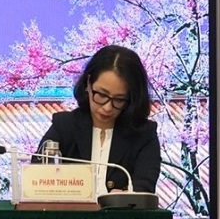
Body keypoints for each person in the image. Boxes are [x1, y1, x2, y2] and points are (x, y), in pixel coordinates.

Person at [37, 44, 160, 193]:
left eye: (119, 99)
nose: (107, 107)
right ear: (88, 83)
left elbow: (144, 188)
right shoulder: (64, 126)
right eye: (101, 95)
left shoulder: (144, 134)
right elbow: (38, 179)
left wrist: (127, 197)